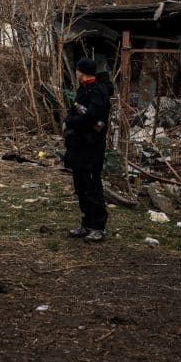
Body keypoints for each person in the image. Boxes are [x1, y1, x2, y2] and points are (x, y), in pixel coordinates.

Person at [63, 57, 111, 242]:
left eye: (77, 70)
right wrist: (71, 121)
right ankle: (87, 224)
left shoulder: (98, 92)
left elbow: (92, 118)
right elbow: (75, 111)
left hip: (91, 147)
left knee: (92, 187)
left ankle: (99, 227)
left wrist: (71, 122)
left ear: (82, 72)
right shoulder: (83, 90)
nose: (75, 73)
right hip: (78, 146)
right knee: (81, 187)